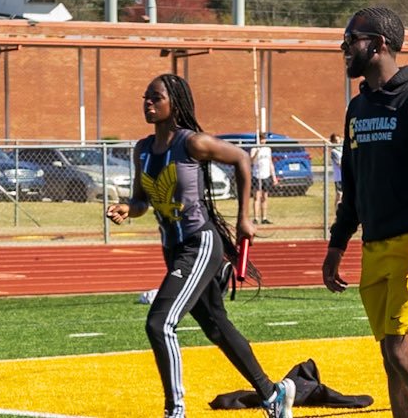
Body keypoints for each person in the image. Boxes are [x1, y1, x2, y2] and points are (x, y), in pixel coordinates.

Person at [106, 74, 296, 418]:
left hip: (200, 243)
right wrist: (126, 209)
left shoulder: (191, 143)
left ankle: (175, 411)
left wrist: (244, 218)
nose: (148, 102)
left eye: (156, 97)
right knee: (215, 326)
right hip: (174, 250)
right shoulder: (143, 149)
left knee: (159, 323)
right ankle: (273, 394)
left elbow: (241, 158)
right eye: (145, 97)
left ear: (174, 103)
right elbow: (140, 201)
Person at [322, 7, 408, 418]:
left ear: (378, 44)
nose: (344, 48)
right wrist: (337, 245)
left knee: (403, 351)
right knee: (391, 358)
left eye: (351, 41)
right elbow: (354, 186)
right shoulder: (358, 108)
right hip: (375, 245)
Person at [250, 132, 276, 225]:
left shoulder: (268, 149)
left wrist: (274, 177)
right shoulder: (254, 149)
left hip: (266, 175)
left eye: (264, 139)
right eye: (261, 139)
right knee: (256, 197)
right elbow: (251, 161)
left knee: (265, 197)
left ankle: (264, 217)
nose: (263, 141)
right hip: (257, 175)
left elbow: (270, 163)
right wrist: (257, 152)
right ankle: (256, 218)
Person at [330, 133, 344, 204]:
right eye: (335, 140)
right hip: (338, 177)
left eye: (338, 140)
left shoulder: (342, 149)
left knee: (344, 196)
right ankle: (337, 212)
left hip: (344, 177)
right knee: (339, 195)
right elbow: (339, 164)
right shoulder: (334, 152)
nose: (338, 142)